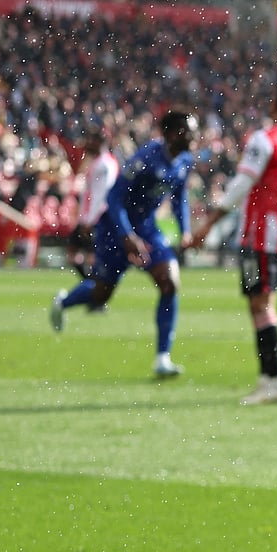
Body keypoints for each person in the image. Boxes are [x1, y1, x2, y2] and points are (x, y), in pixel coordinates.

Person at [188, 83, 277, 406]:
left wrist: (207, 224)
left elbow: (243, 182)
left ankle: (275, 379)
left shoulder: (265, 139)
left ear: (276, 106)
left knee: (260, 305)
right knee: (262, 304)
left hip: (259, 234)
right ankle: (270, 378)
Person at [50, 109, 198, 379]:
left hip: (148, 229)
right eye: (187, 131)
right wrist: (126, 235)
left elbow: (179, 199)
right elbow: (115, 198)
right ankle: (63, 302)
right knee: (102, 292)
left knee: (169, 281)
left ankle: (163, 358)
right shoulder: (145, 159)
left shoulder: (185, 161)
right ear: (169, 134)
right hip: (115, 229)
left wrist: (185, 230)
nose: (193, 136)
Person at [66, 126, 120, 279]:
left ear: (98, 142)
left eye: (91, 141)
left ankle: (93, 287)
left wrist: (91, 219)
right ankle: (90, 283)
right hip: (88, 216)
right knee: (74, 251)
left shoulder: (105, 164)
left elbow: (103, 194)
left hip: (96, 217)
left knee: (92, 255)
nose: (87, 144)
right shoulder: (96, 161)